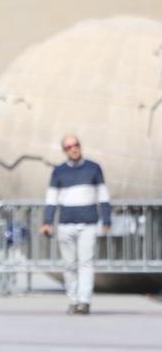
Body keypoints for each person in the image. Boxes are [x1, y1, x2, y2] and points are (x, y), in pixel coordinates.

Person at [40, 135, 112, 315]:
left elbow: (103, 196)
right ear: (64, 151)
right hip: (66, 224)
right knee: (69, 264)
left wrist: (107, 219)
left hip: (88, 223)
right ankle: (73, 299)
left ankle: (84, 301)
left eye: (76, 145)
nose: (73, 149)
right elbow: (51, 200)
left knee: (86, 263)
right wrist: (47, 222)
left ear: (80, 146)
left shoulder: (94, 168)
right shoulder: (59, 172)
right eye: (69, 146)